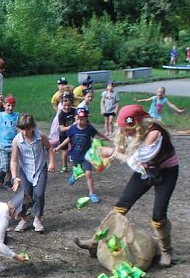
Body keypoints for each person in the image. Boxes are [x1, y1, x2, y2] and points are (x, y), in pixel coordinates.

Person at [74, 105, 180, 267]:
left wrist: (112, 153)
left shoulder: (154, 134)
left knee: (158, 217)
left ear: (138, 124)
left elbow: (136, 161)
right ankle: (95, 242)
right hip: (145, 170)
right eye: (123, 129)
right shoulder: (130, 131)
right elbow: (131, 153)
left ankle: (166, 250)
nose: (125, 132)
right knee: (121, 206)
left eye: (128, 129)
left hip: (166, 172)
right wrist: (104, 153)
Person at [10, 113, 55, 233]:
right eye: (22, 129)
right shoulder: (17, 140)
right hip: (25, 170)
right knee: (25, 195)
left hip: (40, 169)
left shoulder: (40, 136)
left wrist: (51, 162)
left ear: (33, 127)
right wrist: (15, 177)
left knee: (39, 194)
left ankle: (37, 219)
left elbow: (49, 148)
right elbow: (14, 160)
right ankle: (23, 219)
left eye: (28, 129)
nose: (25, 132)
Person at [55, 108, 108, 203]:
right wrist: (59, 147)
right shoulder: (72, 129)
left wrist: (106, 137)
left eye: (82, 119)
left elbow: (97, 133)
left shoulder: (89, 128)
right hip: (75, 155)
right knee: (78, 170)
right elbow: (68, 139)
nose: (80, 121)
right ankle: (74, 176)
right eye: (78, 119)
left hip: (87, 156)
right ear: (75, 119)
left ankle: (92, 193)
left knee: (88, 173)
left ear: (86, 119)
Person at [54, 93, 78, 173]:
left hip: (73, 134)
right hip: (64, 135)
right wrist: (72, 126)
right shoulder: (61, 115)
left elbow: (77, 119)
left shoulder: (74, 111)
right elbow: (62, 128)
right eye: (65, 105)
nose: (67, 107)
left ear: (72, 104)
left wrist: (76, 121)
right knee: (64, 151)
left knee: (76, 149)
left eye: (69, 105)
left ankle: (77, 166)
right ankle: (64, 166)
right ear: (61, 104)